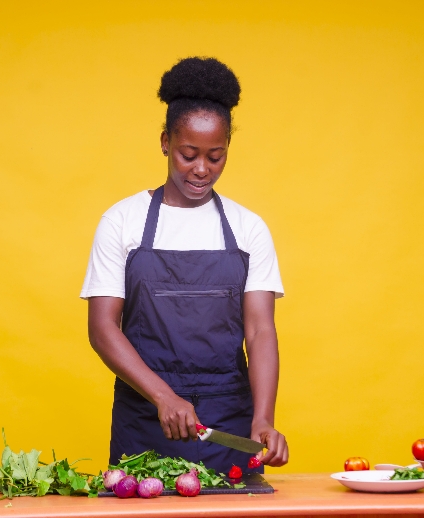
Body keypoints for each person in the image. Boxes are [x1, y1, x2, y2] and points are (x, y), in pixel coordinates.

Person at [81, 57, 288, 474]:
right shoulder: (122, 221)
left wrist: (263, 418)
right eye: (188, 154)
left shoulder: (249, 229)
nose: (201, 169)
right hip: (145, 423)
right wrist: (163, 396)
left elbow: (260, 329)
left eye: (216, 156)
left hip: (228, 424)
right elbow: (102, 328)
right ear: (164, 142)